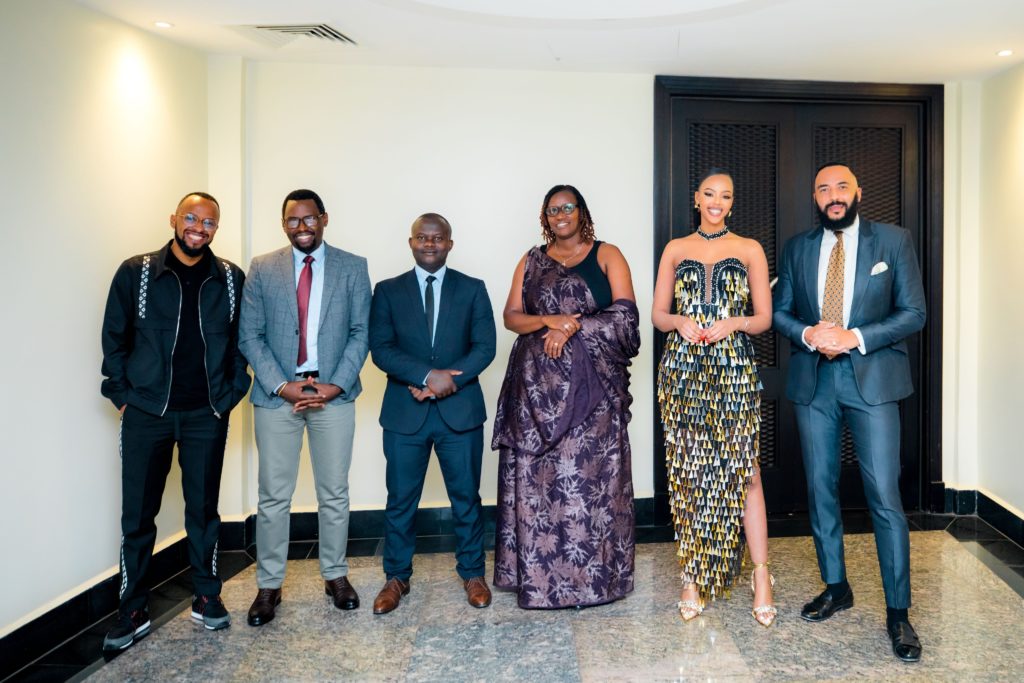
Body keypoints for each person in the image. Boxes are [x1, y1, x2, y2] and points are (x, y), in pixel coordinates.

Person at [773, 162, 926, 661]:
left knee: (883, 494)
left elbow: (914, 312)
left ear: (858, 192)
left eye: (841, 187)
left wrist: (854, 337)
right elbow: (778, 309)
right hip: (814, 382)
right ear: (814, 197)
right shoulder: (797, 247)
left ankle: (898, 614)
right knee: (821, 490)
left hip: (873, 381)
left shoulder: (893, 241)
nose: (833, 196)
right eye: (823, 189)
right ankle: (836, 587)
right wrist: (807, 333)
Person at [100, 192, 250, 650]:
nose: (199, 227)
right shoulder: (137, 272)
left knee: (203, 511)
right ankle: (133, 609)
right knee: (138, 516)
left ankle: (206, 597)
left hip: (207, 413)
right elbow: (114, 338)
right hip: (148, 414)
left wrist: (229, 395)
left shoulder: (229, 278)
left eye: (209, 222)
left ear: (215, 229)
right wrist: (124, 396)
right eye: (191, 217)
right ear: (174, 220)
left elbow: (243, 341)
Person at [492, 184, 639, 609]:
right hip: (534, 392)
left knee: (591, 486)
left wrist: (572, 327)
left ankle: (596, 583)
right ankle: (541, 584)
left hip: (593, 393)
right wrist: (549, 319)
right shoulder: (531, 260)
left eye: (567, 207)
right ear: (545, 216)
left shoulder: (607, 254)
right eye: (552, 209)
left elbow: (627, 319)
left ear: (581, 212)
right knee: (540, 488)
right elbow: (511, 317)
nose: (560, 215)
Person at [238, 188, 371, 626]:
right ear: (284, 225)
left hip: (333, 393)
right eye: (293, 221)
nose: (302, 227)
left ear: (324, 219)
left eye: (309, 219)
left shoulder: (353, 267)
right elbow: (250, 337)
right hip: (278, 397)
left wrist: (334, 385)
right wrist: (282, 385)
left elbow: (360, 332)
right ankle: (269, 585)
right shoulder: (262, 268)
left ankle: (335, 575)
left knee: (334, 492)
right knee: (274, 496)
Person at [653, 169, 775, 625]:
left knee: (746, 473)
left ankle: (761, 576)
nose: (717, 201)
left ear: (732, 202)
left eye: (726, 195)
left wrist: (735, 323)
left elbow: (763, 317)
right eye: (709, 193)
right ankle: (692, 573)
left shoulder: (748, 249)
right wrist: (678, 322)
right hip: (683, 372)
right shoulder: (675, 249)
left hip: (734, 372)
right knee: (689, 473)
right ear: (696, 197)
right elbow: (657, 314)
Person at [367, 213, 497, 614]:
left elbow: (485, 346)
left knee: (466, 498)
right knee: (400, 500)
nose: (429, 244)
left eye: (437, 238)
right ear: (411, 243)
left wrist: (446, 382)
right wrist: (426, 375)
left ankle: (473, 573)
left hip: (459, 413)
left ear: (449, 244)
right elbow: (381, 348)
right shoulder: (387, 291)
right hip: (405, 413)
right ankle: (396, 578)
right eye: (422, 238)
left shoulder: (473, 289)